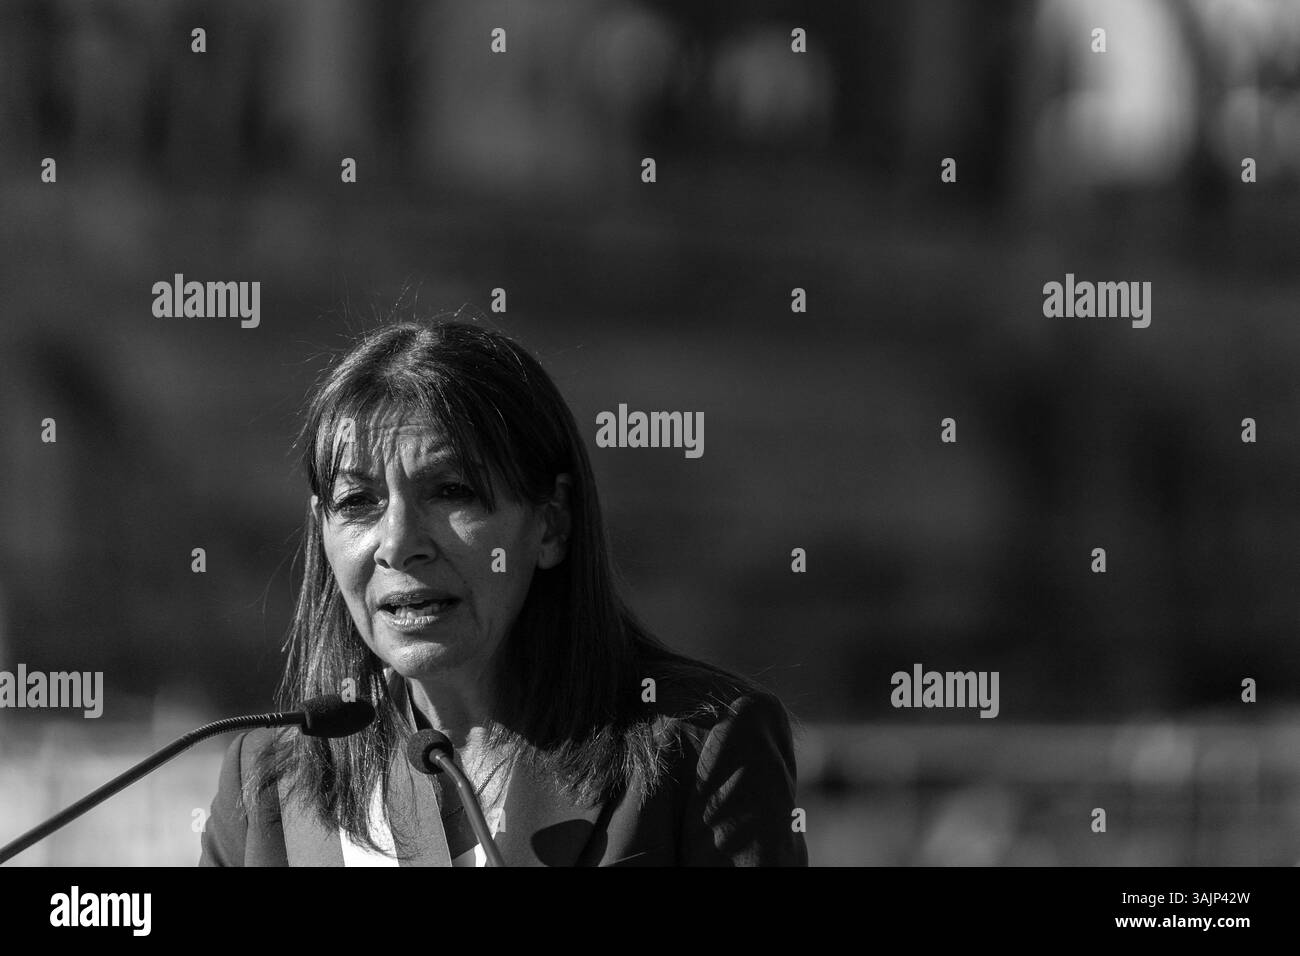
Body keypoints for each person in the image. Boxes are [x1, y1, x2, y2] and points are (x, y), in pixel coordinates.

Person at [198, 319, 807, 866]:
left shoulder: (698, 748)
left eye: (452, 491)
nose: (398, 543)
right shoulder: (268, 786)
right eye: (358, 503)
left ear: (551, 523)